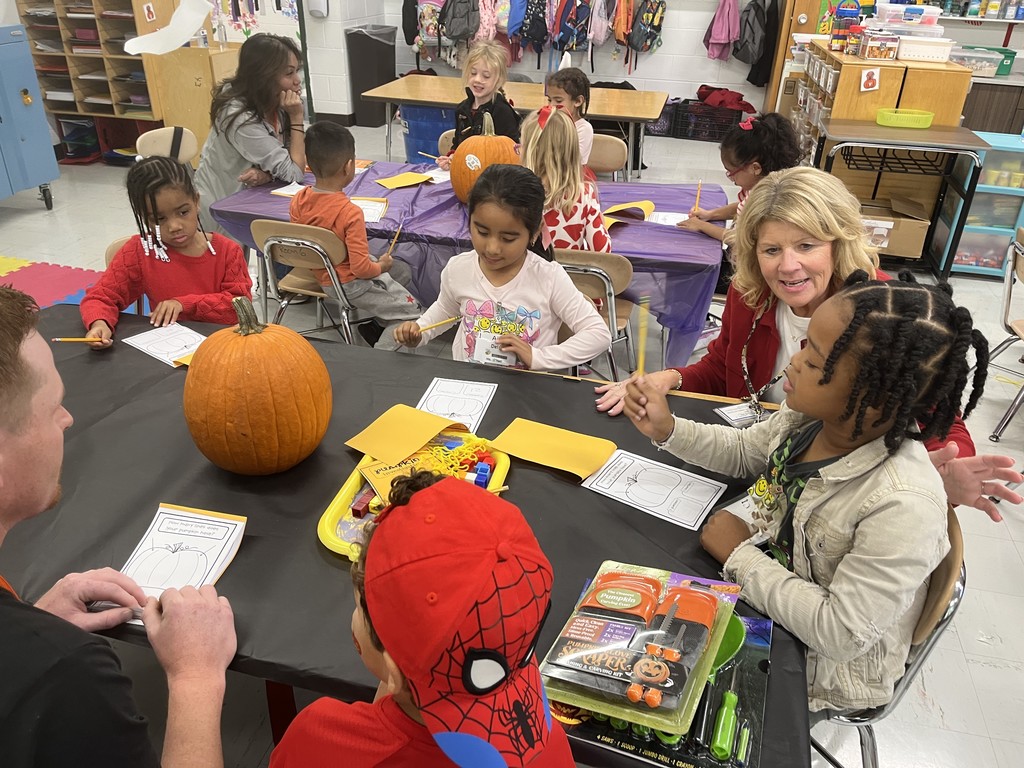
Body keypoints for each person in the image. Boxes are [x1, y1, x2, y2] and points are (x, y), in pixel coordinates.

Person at [623, 273, 986, 714]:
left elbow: (841, 632)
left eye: (814, 361)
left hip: (818, 669)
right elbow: (743, 451)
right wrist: (668, 428)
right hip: (773, 584)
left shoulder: (903, 504)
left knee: (651, 691)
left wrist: (739, 555)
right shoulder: (807, 420)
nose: (794, 361)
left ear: (872, 397)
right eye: (806, 344)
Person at [595, 167, 1024, 517]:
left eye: (806, 245)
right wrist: (668, 377)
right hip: (755, 463)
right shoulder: (751, 296)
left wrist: (948, 470)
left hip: (833, 492)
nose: (788, 266)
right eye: (771, 249)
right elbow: (726, 368)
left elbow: (938, 415)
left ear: (839, 244)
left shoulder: (884, 311)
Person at [0, 286, 237, 767]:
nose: (67, 420)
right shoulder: (64, 677)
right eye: (52, 408)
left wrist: (34, 621)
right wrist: (196, 679)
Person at [269, 471, 575, 767]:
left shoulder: (322, 741)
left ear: (393, 673)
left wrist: (216, 679)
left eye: (361, 609)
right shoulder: (549, 745)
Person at [394, 164, 610, 371]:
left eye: (508, 238)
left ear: (534, 233)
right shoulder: (458, 269)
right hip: (467, 385)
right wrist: (420, 330)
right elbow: (445, 309)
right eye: (482, 232)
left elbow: (598, 333)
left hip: (524, 392)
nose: (492, 248)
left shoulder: (548, 277)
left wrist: (539, 357)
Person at [81, 156, 251, 347]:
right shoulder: (140, 252)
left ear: (196, 201)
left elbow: (239, 307)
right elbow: (101, 297)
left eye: (183, 212)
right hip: (169, 352)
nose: (174, 226)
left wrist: (183, 304)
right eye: (159, 219)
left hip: (222, 348)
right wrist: (100, 323)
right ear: (144, 218)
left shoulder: (228, 251)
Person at [289, 122, 421, 350]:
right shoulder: (350, 213)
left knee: (403, 271)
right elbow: (361, 270)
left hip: (322, 274)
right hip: (350, 284)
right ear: (349, 166)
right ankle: (376, 360)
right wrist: (381, 266)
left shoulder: (298, 199)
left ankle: (374, 327)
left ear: (309, 164)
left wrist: (384, 266)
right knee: (413, 316)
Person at [194, 33, 307, 238]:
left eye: (296, 71)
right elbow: (294, 173)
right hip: (222, 205)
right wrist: (297, 116)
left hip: (250, 197)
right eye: (289, 73)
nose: (297, 81)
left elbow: (293, 156)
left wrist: (269, 174)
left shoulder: (272, 100)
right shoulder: (238, 114)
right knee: (229, 263)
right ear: (264, 76)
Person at [677, 112, 801, 243]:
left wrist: (701, 226)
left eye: (731, 172)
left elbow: (737, 239)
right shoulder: (758, 185)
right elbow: (742, 206)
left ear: (755, 168)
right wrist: (710, 214)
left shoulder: (766, 202)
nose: (730, 178)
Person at [520, 106, 611, 253]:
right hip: (570, 275)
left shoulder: (515, 193)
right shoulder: (584, 195)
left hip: (527, 274)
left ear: (531, 152)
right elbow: (603, 252)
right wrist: (600, 220)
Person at [437, 40, 520, 171]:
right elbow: (458, 144)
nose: (477, 80)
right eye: (473, 73)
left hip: (493, 177)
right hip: (466, 173)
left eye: (486, 76)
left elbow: (512, 152)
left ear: (498, 80)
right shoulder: (462, 110)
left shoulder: (502, 112)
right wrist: (452, 157)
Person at [545, 66, 594, 165]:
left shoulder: (583, 128)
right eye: (549, 100)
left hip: (570, 176)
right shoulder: (548, 122)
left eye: (558, 101)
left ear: (577, 101)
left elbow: (572, 162)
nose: (551, 105)